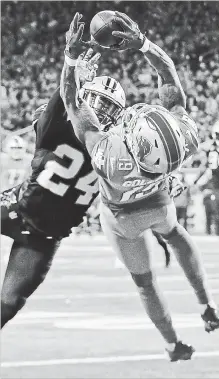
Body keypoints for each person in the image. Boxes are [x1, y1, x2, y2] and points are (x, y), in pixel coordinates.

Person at [60, 12, 219, 362]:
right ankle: (207, 304)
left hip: (122, 220)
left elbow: (71, 100)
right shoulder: (185, 138)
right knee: (175, 233)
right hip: (159, 201)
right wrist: (145, 43)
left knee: (144, 282)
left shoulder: (109, 154)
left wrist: (71, 58)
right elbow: (170, 80)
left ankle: (173, 343)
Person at [1, 67, 127, 328]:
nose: (101, 111)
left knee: (8, 303)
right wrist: (71, 70)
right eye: (97, 101)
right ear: (82, 99)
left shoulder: (115, 152)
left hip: (44, 235)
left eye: (109, 107)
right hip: (16, 206)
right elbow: (54, 108)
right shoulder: (60, 125)